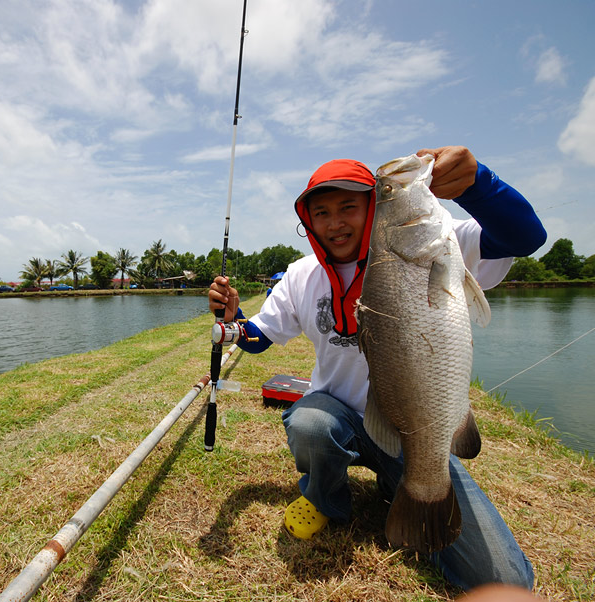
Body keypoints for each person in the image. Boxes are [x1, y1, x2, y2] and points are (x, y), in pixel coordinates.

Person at [208, 146, 546, 591]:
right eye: (322, 212)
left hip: (413, 434)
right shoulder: (300, 275)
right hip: (338, 419)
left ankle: (402, 486)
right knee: (309, 421)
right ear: (308, 221)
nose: (335, 222)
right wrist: (233, 323)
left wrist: (479, 183)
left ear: (374, 207)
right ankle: (326, 498)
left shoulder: (436, 244)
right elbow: (260, 338)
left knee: (506, 582)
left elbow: (524, 238)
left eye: (350, 206)